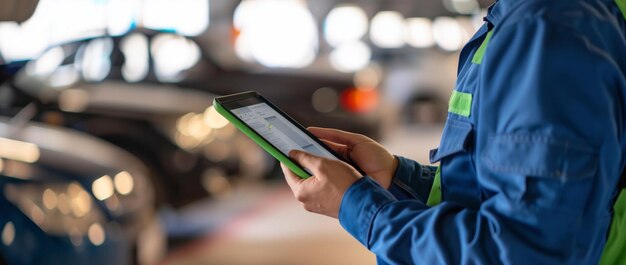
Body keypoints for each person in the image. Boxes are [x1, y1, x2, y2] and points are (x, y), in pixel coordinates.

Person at [281, 0, 626, 264]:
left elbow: (524, 250)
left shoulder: (543, 33)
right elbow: (504, 190)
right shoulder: (527, 21)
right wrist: (401, 178)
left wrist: (360, 207)